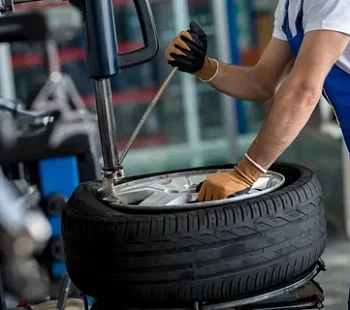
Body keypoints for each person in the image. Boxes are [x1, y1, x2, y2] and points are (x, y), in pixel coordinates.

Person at [165, 0, 350, 202]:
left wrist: (245, 174)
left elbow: (304, 89)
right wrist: (202, 65)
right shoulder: (291, 7)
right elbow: (261, 83)